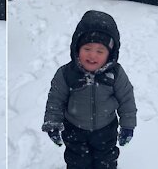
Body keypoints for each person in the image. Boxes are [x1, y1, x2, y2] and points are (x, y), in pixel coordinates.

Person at [41, 10, 137, 169]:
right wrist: (53, 122)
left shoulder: (116, 74)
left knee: (106, 162)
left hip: (106, 130)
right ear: (77, 48)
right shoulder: (66, 73)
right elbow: (56, 100)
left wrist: (128, 125)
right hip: (74, 130)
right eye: (87, 48)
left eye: (100, 51)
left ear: (110, 54)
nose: (92, 55)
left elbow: (127, 99)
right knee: (77, 162)